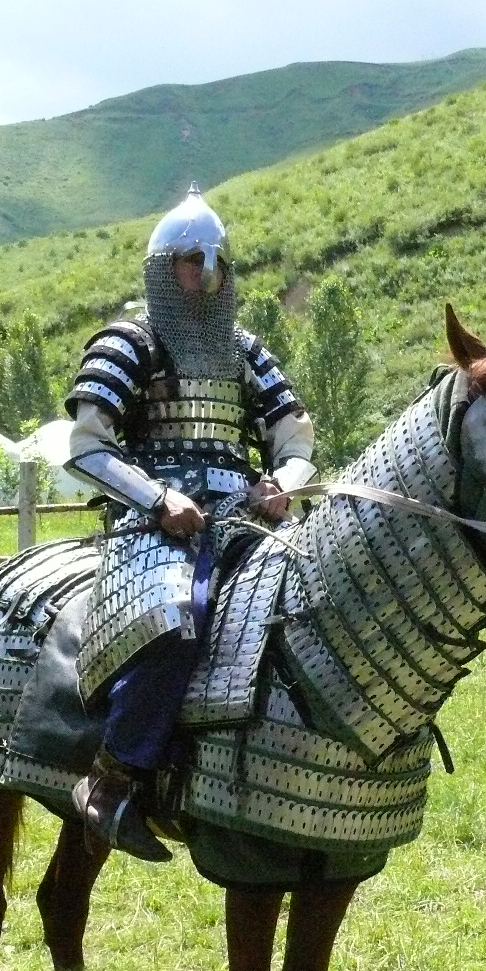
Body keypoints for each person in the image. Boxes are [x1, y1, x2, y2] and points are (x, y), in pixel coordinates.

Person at [64, 183, 315, 862]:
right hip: (156, 522)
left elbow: (294, 441)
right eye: (192, 261)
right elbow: (88, 445)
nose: (207, 276)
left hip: (242, 515)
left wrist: (281, 483)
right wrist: (157, 500)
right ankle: (113, 781)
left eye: (217, 263)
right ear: (163, 269)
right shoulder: (131, 341)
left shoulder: (243, 348)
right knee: (179, 621)